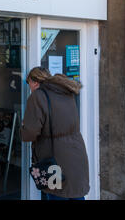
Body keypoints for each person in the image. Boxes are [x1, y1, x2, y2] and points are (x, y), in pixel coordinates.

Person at [20, 67, 89, 200]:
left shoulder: (37, 96)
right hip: (76, 156)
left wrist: (23, 127)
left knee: (57, 195)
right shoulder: (66, 92)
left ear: (34, 82)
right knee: (76, 195)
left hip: (55, 161)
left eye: (28, 83)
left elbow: (29, 134)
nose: (29, 88)